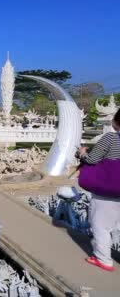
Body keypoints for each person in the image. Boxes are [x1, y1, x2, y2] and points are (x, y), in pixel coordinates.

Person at [79, 108, 120, 272]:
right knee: (115, 226)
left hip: (107, 191)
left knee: (100, 225)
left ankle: (103, 259)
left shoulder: (111, 137)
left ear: (116, 121)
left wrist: (82, 153)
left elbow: (92, 159)